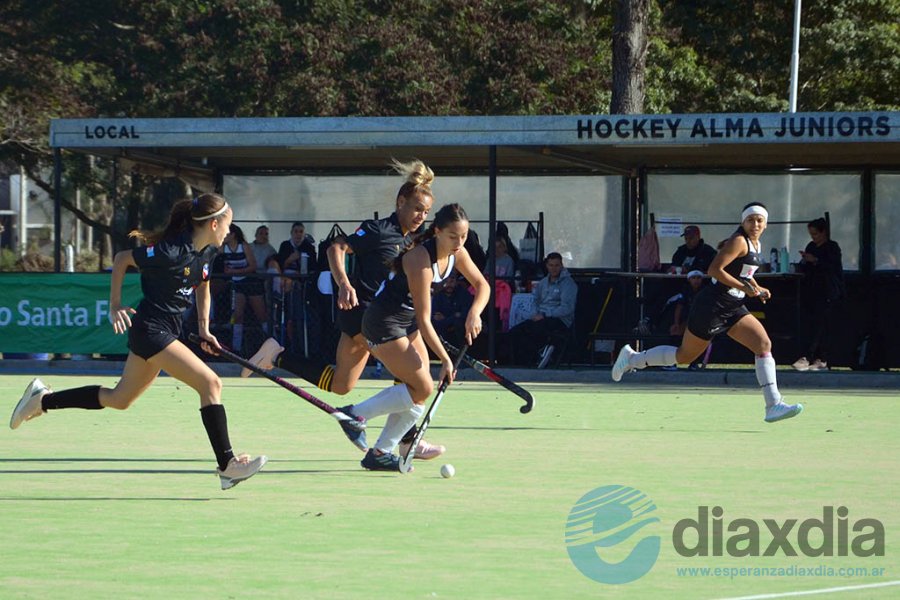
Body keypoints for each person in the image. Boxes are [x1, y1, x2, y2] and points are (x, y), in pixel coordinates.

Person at [9, 193, 267, 489]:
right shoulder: (170, 250)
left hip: (165, 331)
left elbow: (203, 286)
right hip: (151, 330)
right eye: (228, 225)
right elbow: (122, 259)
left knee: (119, 399)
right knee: (211, 384)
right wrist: (115, 304)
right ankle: (228, 465)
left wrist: (205, 329)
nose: (229, 231)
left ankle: (43, 400)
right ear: (213, 224)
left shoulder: (206, 252)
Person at [242, 159, 445, 458]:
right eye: (416, 208)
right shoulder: (378, 229)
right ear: (400, 201)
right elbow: (335, 248)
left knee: (341, 384)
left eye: (425, 212)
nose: (420, 216)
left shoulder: (415, 240)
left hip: (391, 319)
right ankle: (394, 437)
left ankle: (276, 355)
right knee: (416, 378)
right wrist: (343, 283)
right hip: (364, 314)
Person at [611, 202, 803, 424]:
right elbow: (714, 270)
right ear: (743, 222)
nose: (755, 224)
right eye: (750, 220)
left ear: (766, 223)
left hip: (733, 306)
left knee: (763, 345)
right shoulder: (739, 241)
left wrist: (757, 288)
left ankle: (773, 405)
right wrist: (745, 288)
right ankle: (633, 358)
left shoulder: (756, 244)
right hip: (712, 306)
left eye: (760, 220)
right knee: (684, 356)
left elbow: (743, 274)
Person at [339, 203, 489, 470]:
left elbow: (482, 286)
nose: (458, 242)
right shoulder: (420, 260)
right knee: (424, 387)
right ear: (438, 231)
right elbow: (424, 319)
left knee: (417, 393)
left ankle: (380, 452)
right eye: (453, 236)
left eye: (463, 236)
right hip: (382, 322)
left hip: (406, 323)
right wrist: (445, 359)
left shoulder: (458, 253)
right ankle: (354, 415)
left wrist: (474, 313)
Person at [506, 252, 578, 368]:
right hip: (541, 317)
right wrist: (536, 313)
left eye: (557, 265)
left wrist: (545, 314)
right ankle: (519, 364)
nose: (554, 268)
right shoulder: (543, 282)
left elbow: (567, 308)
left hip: (559, 321)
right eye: (551, 265)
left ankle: (540, 356)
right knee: (516, 332)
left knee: (534, 331)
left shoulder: (568, 284)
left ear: (561, 266)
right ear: (547, 266)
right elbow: (536, 300)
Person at [792, 217, 844, 372]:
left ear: (824, 232)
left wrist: (816, 260)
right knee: (810, 324)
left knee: (822, 325)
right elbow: (808, 268)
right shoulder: (811, 246)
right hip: (812, 291)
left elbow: (832, 267)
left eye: (815, 234)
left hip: (827, 291)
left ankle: (819, 357)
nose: (813, 238)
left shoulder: (832, 247)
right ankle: (810, 356)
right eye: (811, 234)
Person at [221, 223, 268, 353]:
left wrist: (237, 272)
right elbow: (222, 265)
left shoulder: (244, 246)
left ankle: (272, 343)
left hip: (251, 282)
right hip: (237, 285)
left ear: (233, 235)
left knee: (261, 315)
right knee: (238, 315)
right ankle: (236, 348)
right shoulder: (223, 248)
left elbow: (253, 266)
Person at [432, 274, 474, 348]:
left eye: (452, 280)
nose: (449, 284)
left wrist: (447, 318)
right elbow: (435, 315)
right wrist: (453, 316)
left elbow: (465, 313)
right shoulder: (438, 296)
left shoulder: (464, 294)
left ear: (456, 281)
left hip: (460, 328)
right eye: (446, 281)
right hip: (442, 328)